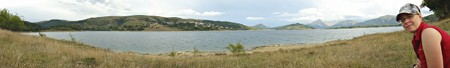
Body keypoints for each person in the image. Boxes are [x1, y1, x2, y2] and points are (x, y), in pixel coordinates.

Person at [395, 3, 450, 68]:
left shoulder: (428, 33)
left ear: (420, 16)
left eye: (410, 16)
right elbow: (423, 58)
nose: (406, 21)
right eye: (402, 20)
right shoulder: (418, 36)